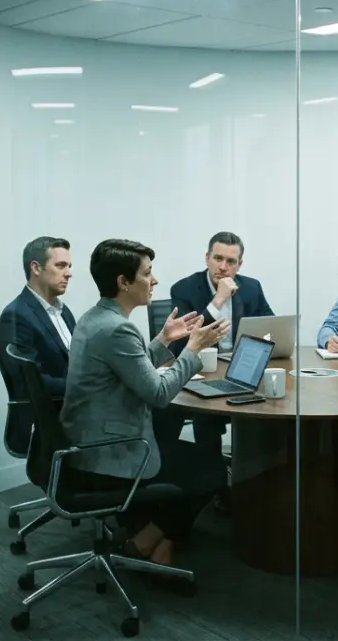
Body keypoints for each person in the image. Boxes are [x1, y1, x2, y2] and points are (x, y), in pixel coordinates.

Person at [60, 239, 229, 567]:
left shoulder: (95, 319)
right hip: (110, 451)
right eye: (147, 273)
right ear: (124, 282)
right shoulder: (116, 330)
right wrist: (193, 348)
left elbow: (128, 367)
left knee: (182, 450)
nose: (154, 281)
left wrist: (164, 340)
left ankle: (156, 538)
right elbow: (159, 393)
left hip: (87, 440)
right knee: (212, 470)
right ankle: (148, 539)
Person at [160, 232, 273, 457]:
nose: (223, 267)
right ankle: (212, 476)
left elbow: (270, 325)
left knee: (269, 405)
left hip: (240, 369)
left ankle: (254, 469)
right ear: (207, 258)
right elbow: (186, 338)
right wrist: (218, 299)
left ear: (239, 265)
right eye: (217, 258)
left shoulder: (251, 287)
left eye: (230, 261)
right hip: (202, 371)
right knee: (207, 418)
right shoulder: (184, 289)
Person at [0, 237, 76, 397]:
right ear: (36, 268)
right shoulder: (15, 315)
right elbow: (28, 381)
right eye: (60, 266)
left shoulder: (62, 310)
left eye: (69, 266)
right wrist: (82, 388)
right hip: (53, 412)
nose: (68, 274)